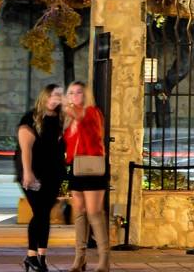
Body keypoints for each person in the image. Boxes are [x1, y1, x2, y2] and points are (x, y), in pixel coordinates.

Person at [15, 85, 65, 272]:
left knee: (44, 215)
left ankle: (41, 257)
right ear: (44, 96)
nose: (55, 98)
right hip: (32, 172)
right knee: (41, 213)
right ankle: (31, 256)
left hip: (54, 173)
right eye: (52, 95)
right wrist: (27, 172)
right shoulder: (31, 118)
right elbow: (25, 149)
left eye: (59, 95)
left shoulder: (62, 119)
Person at [62, 81, 110, 271]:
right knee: (79, 212)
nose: (74, 96)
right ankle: (79, 258)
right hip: (76, 167)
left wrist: (64, 103)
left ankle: (104, 259)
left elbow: (80, 116)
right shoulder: (69, 120)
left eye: (78, 93)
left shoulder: (92, 112)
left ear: (86, 95)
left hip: (92, 167)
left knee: (94, 213)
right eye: (71, 93)